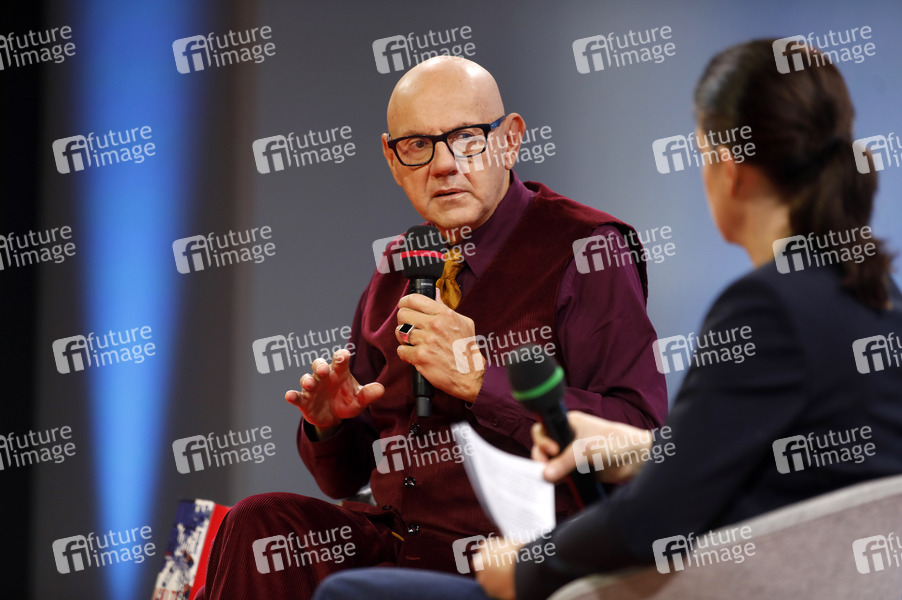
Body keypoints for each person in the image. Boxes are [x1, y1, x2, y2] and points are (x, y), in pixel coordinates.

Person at [311, 38, 902, 600]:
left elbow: (658, 513)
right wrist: (633, 447)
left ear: (729, 170)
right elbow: (721, 462)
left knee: (348, 594)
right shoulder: (878, 301)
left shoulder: (765, 309)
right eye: (420, 146)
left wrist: (526, 567)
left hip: (734, 581)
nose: (444, 165)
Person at [193, 56, 667, 600]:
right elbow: (341, 478)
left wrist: (482, 380)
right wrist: (329, 425)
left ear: (510, 140)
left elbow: (639, 431)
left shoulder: (587, 248)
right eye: (418, 145)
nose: (443, 165)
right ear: (393, 159)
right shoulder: (401, 263)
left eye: (466, 138)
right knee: (259, 525)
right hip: (397, 544)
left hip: (515, 557)